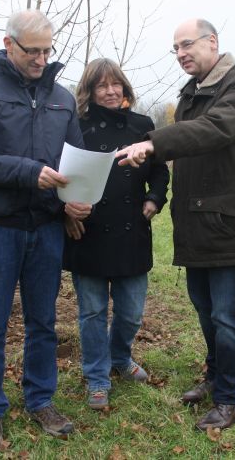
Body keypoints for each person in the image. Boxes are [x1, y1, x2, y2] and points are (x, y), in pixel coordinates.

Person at [0, 9, 92, 452]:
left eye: (48, 50)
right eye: (33, 50)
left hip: (46, 227)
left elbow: (76, 158)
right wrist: (30, 172)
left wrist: (76, 200)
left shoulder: (63, 98)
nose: (42, 59)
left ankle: (41, 399)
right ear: (9, 44)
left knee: (43, 322)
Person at [115, 19, 235, 431]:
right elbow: (190, 140)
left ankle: (229, 399)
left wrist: (154, 142)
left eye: (187, 45)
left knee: (227, 317)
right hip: (196, 223)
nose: (181, 53)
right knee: (205, 311)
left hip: (227, 223)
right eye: (175, 48)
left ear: (212, 42)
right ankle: (216, 376)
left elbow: (215, 129)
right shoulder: (190, 93)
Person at [63, 58, 170, 410]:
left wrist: (155, 199)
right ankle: (97, 375)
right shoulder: (75, 126)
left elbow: (160, 173)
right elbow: (60, 173)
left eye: (116, 84)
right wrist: (64, 209)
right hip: (88, 232)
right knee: (92, 312)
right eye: (101, 86)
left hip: (131, 231)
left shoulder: (142, 125)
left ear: (124, 87)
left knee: (130, 313)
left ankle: (120, 358)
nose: (110, 91)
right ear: (90, 91)